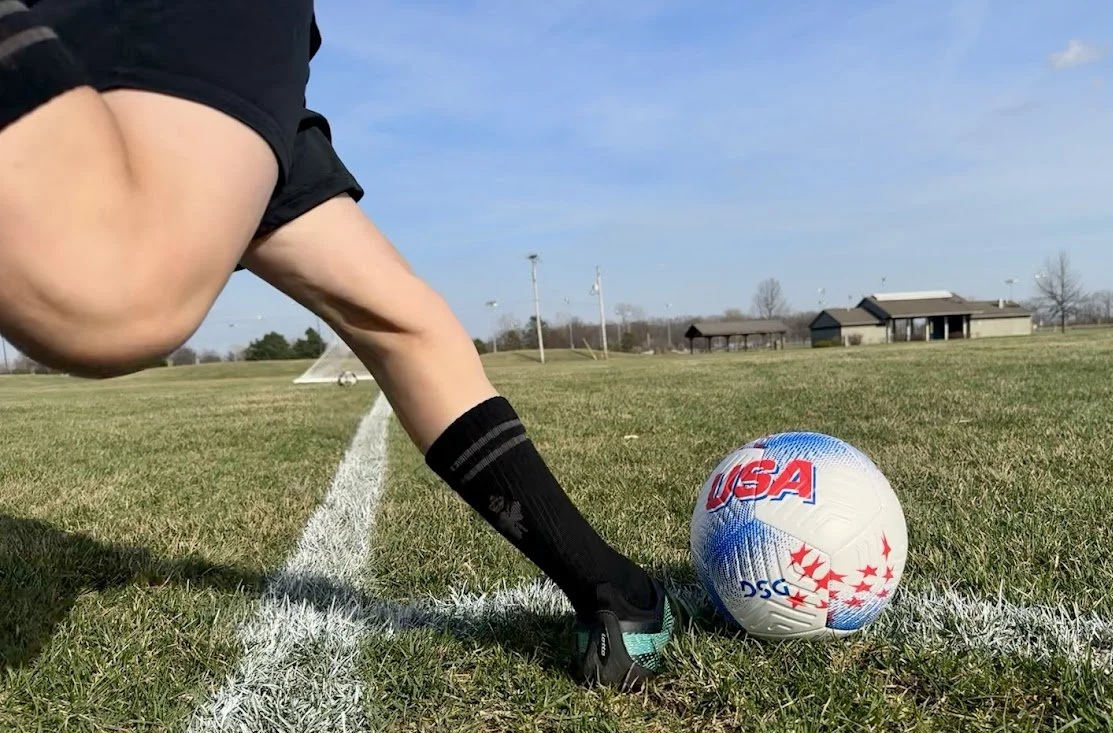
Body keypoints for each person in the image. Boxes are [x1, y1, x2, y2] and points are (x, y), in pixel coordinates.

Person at [0, 0, 673, 690]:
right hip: (209, 35)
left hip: (227, 47)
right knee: (118, 287)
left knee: (394, 320)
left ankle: (617, 589)